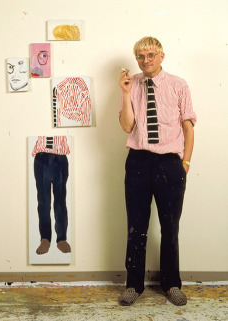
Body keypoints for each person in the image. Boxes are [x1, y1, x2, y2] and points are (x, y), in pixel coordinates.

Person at [118, 36, 196, 306]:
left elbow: (188, 126)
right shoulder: (132, 84)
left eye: (150, 55)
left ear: (161, 55)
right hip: (138, 162)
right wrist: (126, 93)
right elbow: (127, 127)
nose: (145, 60)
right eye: (140, 56)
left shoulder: (178, 85)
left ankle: (172, 283)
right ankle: (133, 285)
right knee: (136, 227)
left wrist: (185, 163)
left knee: (170, 227)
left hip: (170, 165)